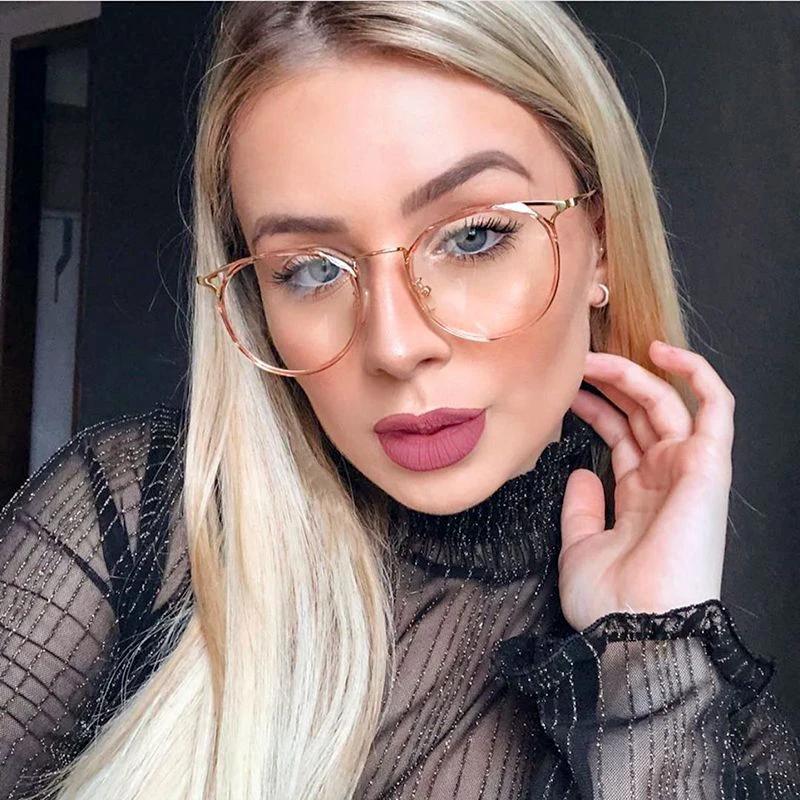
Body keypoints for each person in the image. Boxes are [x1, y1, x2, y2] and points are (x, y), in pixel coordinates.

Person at [1, 1, 799, 798]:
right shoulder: (132, 522)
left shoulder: (707, 731)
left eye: (474, 236)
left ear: (603, 243)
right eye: (312, 269)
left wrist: (650, 656)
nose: (394, 343)